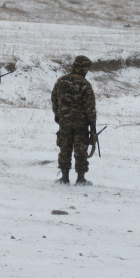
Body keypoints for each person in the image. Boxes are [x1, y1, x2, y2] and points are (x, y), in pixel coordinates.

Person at [51, 55, 97, 186]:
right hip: (80, 123)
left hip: (64, 121)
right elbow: (90, 107)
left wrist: (58, 115)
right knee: (81, 149)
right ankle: (80, 178)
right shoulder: (85, 84)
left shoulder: (61, 81)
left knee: (64, 148)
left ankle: (64, 177)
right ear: (84, 68)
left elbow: (54, 99)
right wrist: (92, 126)